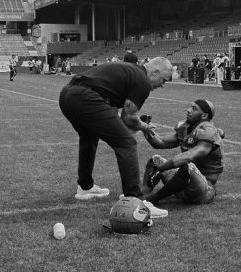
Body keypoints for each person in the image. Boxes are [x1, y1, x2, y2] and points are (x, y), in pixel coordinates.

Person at [58, 57, 173, 214]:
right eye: (163, 80)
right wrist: (145, 127)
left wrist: (133, 125)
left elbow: (122, 119)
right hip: (86, 97)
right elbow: (129, 118)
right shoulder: (142, 81)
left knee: (89, 137)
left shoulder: (131, 70)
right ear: (155, 72)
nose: (162, 85)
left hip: (67, 95)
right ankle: (136, 202)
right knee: (128, 144)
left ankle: (85, 187)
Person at [140, 99, 224, 209]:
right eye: (190, 107)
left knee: (187, 165)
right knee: (156, 159)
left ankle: (154, 199)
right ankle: (141, 194)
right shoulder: (186, 128)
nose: (189, 110)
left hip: (203, 189)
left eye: (194, 109)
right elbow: (160, 143)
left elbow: (189, 156)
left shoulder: (208, 131)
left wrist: (162, 168)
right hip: (184, 185)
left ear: (204, 115)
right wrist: (145, 128)